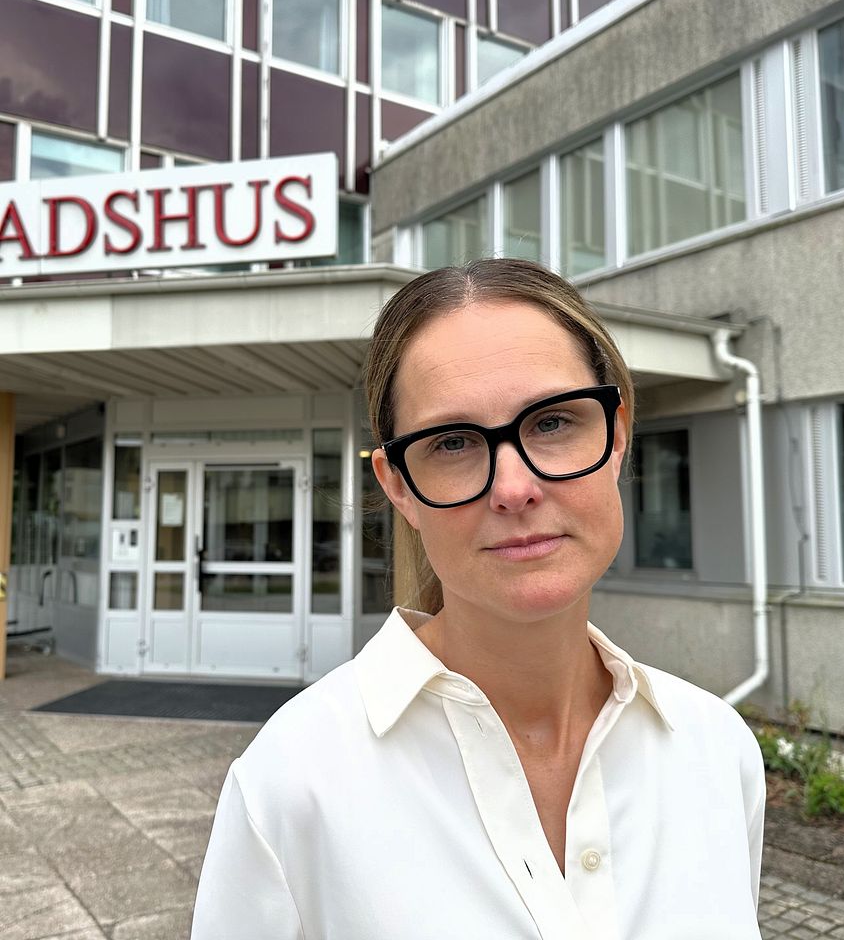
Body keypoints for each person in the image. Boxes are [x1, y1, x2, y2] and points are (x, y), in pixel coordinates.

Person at [190, 258, 765, 939]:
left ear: (616, 434)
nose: (514, 489)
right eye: (454, 442)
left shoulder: (715, 750)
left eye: (552, 422)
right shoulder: (290, 784)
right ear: (398, 486)